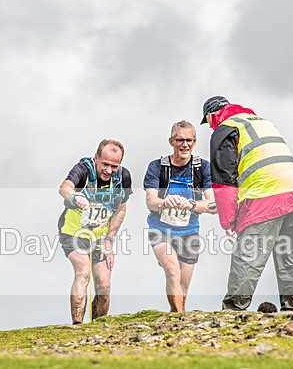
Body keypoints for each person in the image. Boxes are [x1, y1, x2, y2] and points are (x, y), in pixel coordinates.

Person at [201, 95, 293, 311]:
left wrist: (228, 221)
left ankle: (233, 311)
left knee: (248, 257)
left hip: (264, 196)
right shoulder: (263, 122)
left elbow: (224, 181)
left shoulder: (225, 128)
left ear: (210, 116)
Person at [58, 139, 133, 324]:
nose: (109, 170)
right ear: (96, 158)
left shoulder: (123, 178)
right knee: (83, 271)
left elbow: (121, 209)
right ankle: (77, 326)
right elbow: (64, 188)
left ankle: (98, 328)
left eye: (114, 166)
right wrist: (76, 197)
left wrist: (110, 240)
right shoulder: (83, 169)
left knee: (104, 284)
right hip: (73, 231)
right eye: (105, 164)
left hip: (101, 236)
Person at [144, 120, 216, 313]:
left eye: (189, 141)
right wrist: (164, 202)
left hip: (189, 231)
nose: (185, 145)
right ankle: (178, 319)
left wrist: (192, 204)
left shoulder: (202, 168)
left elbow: (213, 204)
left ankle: (177, 317)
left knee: (183, 286)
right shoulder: (157, 167)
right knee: (172, 270)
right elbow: (150, 201)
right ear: (171, 141)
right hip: (160, 229)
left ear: (195, 142)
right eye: (180, 140)